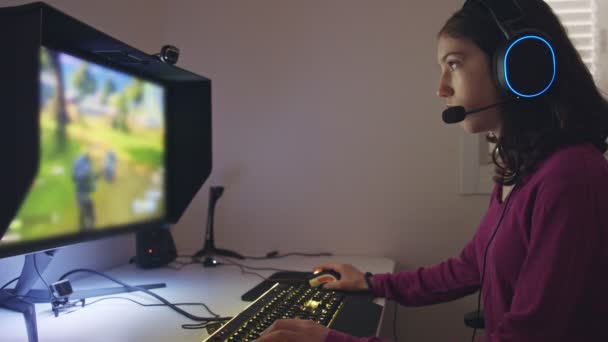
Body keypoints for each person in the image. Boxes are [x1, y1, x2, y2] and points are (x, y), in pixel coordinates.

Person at [255, 0, 608, 341]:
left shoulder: (571, 177)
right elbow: (472, 266)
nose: (441, 88)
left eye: (454, 64)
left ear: (520, 67)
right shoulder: (520, 169)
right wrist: (373, 283)